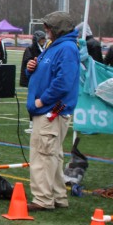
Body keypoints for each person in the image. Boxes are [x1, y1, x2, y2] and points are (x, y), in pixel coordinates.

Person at [24, 11, 80, 211]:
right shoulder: (54, 46)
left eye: (49, 26)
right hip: (48, 110)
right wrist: (31, 68)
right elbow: (43, 71)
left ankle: (43, 199)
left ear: (58, 29)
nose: (45, 29)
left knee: (43, 154)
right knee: (52, 154)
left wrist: (41, 101)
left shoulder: (66, 48)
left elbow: (63, 82)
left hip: (50, 111)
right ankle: (57, 196)